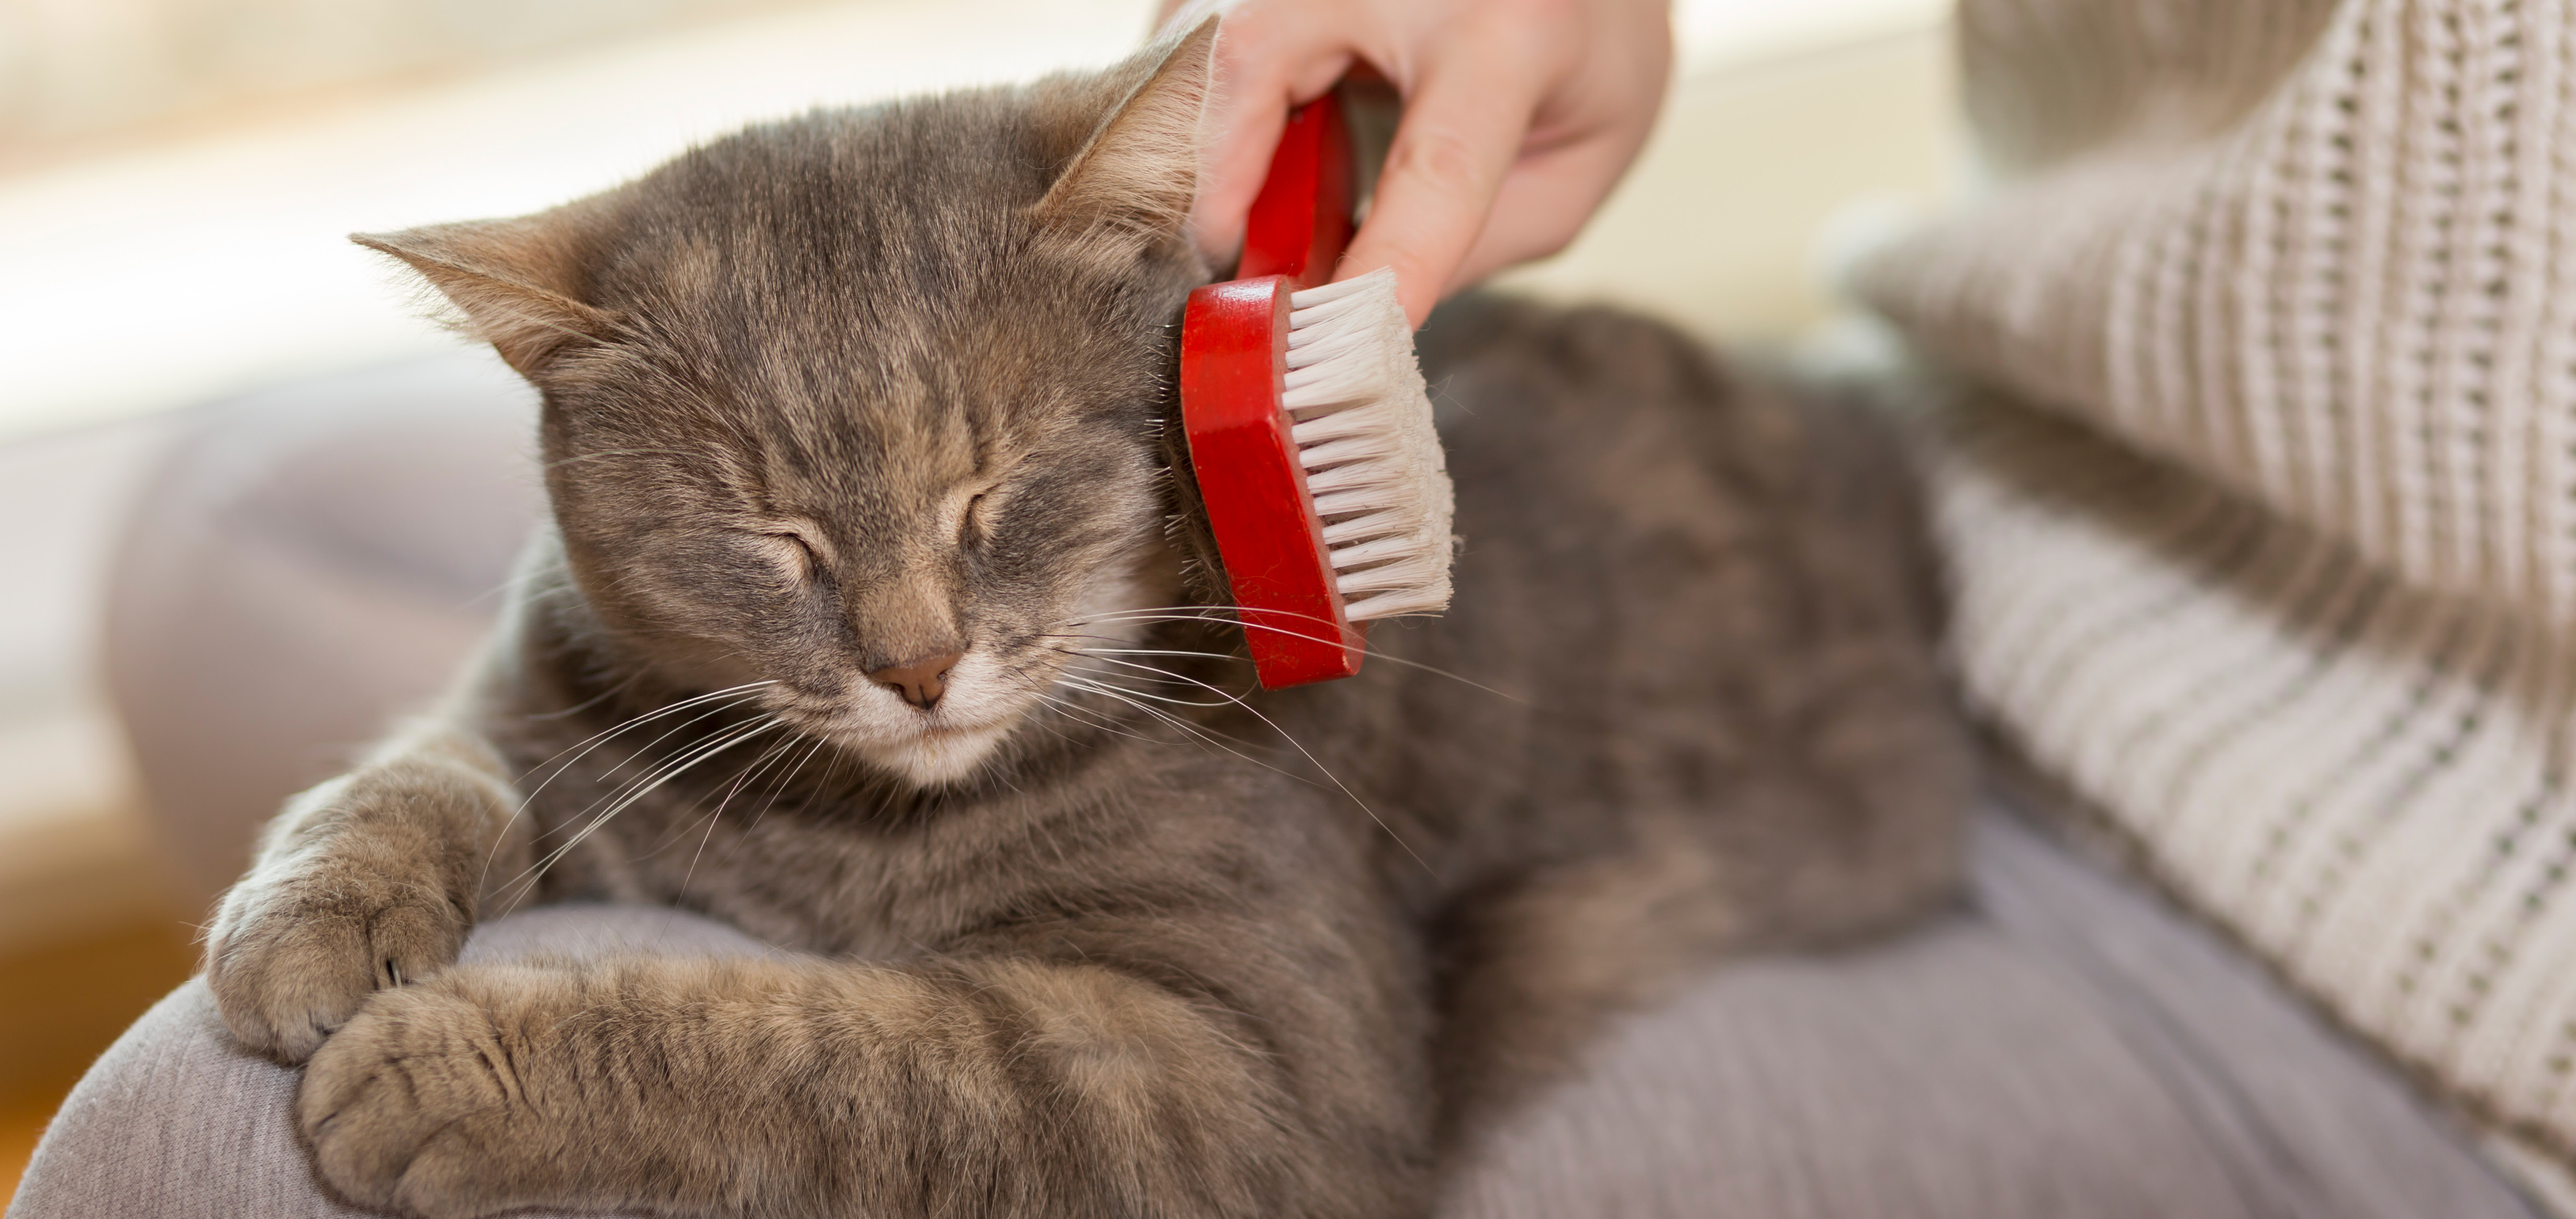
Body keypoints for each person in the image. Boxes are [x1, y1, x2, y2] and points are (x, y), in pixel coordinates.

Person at [9, 1, 2559, 1215]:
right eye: (800, 567)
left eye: (1012, 517)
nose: (925, 650)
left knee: (220, 1157)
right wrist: (438, 795)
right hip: (2034, 484)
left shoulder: (1228, 685)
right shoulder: (803, 525)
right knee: (230, 533)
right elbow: (622, 624)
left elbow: (1266, 1116)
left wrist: (673, 1077)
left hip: (2343, 978)